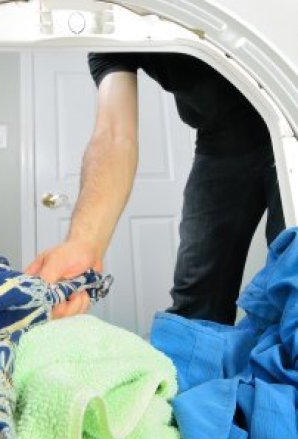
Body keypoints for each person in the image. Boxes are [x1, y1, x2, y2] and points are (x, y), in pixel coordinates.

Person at [26, 52, 285, 324]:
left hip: (288, 111)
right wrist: (83, 242)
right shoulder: (108, 33)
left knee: (289, 270)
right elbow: (114, 135)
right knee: (197, 292)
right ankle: (193, 365)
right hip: (220, 142)